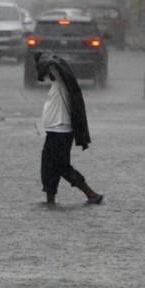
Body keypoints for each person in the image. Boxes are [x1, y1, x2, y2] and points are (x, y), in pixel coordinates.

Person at [35, 51, 103, 205]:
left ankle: (91, 194)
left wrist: (42, 59)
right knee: (48, 166)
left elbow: (53, 65)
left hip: (61, 131)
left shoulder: (60, 81)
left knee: (61, 166)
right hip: (54, 131)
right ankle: (50, 201)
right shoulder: (57, 84)